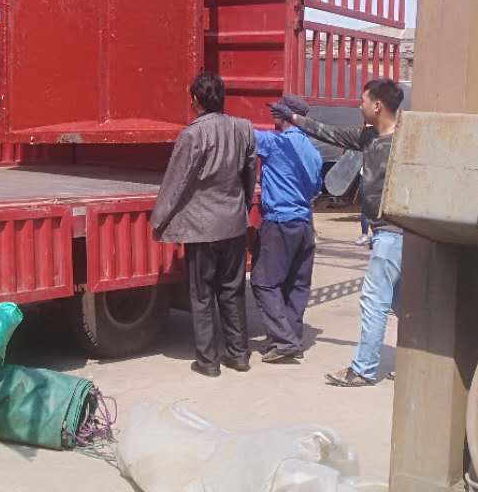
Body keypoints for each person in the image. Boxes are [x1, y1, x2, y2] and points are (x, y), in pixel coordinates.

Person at [271, 76, 403, 387]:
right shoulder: (369, 137)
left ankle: (363, 369)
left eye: (362, 100)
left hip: (394, 233)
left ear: (377, 105)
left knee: (373, 300)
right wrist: (294, 118)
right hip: (387, 233)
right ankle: (413, 365)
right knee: (402, 304)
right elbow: (329, 133)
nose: (359, 106)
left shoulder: (406, 141)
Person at [151, 71, 257, 378]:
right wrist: (242, 206)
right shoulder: (243, 128)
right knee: (233, 290)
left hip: (202, 227)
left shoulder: (193, 135)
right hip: (233, 223)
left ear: (196, 100)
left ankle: (208, 361)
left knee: (202, 294)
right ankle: (238, 354)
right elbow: (250, 173)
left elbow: (176, 182)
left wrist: (159, 219)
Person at [251, 94, 325, 364]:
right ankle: (292, 338)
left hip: (280, 222)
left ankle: (284, 341)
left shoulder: (275, 143)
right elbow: (316, 188)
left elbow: (242, 135)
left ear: (285, 116)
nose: (272, 115)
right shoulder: (313, 153)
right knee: (297, 284)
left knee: (263, 282)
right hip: (304, 224)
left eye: (276, 112)